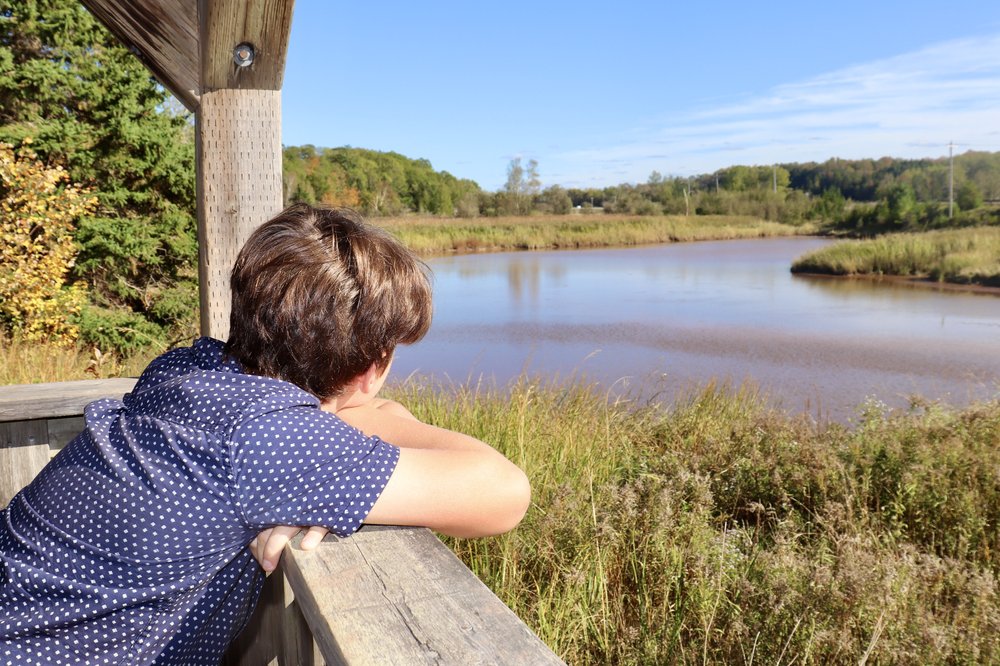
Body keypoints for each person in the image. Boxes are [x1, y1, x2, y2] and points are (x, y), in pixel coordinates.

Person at [0, 204, 531, 665]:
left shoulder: (187, 369)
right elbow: (505, 494)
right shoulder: (264, 441)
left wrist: (321, 465)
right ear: (374, 366)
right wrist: (392, 417)